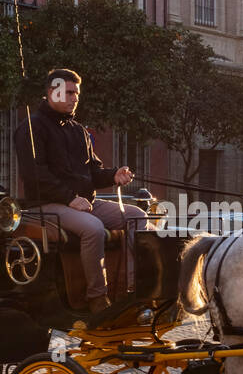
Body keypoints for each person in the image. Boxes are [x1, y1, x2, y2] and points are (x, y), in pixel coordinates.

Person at [14, 68, 147, 313]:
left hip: (84, 203)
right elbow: (35, 175)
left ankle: (129, 289)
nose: (75, 98)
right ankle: (97, 297)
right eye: (69, 92)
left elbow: (94, 172)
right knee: (92, 228)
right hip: (47, 204)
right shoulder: (31, 128)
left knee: (137, 216)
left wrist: (113, 175)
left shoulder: (79, 130)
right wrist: (70, 198)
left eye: (77, 93)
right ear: (52, 92)